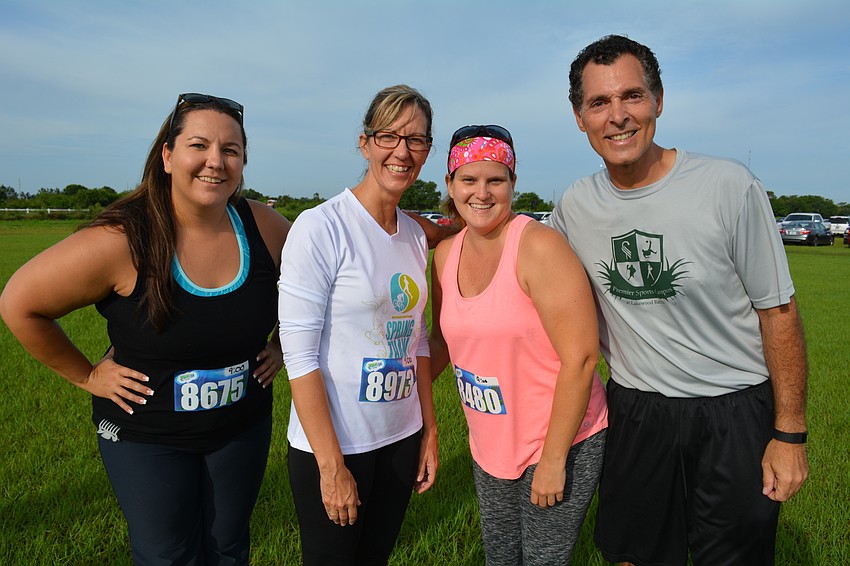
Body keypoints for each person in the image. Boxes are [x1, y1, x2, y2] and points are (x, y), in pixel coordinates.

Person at [549, 35, 809, 565]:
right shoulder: (576, 205)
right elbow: (519, 257)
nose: (618, 116)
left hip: (732, 409)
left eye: (633, 96)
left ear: (659, 100)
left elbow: (778, 312)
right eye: (599, 103)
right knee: (631, 554)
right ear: (579, 117)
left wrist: (789, 434)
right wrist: (418, 231)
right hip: (636, 410)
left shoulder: (727, 186)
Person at [0, 92, 291, 564]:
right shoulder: (121, 240)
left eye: (231, 150)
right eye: (199, 145)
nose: (215, 162)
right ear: (168, 155)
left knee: (229, 548)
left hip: (241, 428)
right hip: (146, 437)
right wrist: (87, 375)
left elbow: (317, 286)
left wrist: (283, 344)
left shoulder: (263, 225)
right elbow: (19, 304)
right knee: (167, 556)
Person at [427, 125, 608, 565]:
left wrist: (553, 459)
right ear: (450, 185)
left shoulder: (539, 247)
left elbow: (581, 359)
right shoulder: (445, 254)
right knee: (501, 558)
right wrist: (402, 411)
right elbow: (440, 343)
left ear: (513, 183)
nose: (482, 193)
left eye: (496, 180)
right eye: (469, 180)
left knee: (543, 561)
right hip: (490, 441)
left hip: (557, 439)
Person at [278, 84, 438, 565]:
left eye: (417, 140)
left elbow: (419, 340)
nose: (402, 152)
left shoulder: (413, 234)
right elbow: (299, 356)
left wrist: (429, 429)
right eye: (389, 136)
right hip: (337, 445)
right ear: (365, 142)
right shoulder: (320, 226)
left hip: (400, 436)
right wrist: (331, 467)